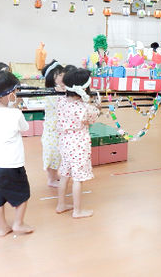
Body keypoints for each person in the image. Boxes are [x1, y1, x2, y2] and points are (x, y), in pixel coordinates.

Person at [0, 70, 33, 236]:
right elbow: (25, 128)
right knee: (23, 195)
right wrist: (15, 107)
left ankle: (2, 227)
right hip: (11, 164)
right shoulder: (15, 113)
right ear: (10, 94)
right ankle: (18, 223)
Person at [56, 68, 100, 219]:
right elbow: (92, 119)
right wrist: (95, 106)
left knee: (65, 174)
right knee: (78, 178)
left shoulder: (60, 101)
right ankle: (77, 210)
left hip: (64, 142)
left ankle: (61, 204)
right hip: (79, 144)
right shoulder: (85, 108)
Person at [41, 60, 76, 187]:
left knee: (58, 153)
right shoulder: (52, 92)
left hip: (59, 129)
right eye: (60, 75)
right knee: (52, 153)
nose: (63, 76)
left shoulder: (62, 89)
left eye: (63, 74)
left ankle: (55, 177)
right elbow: (61, 105)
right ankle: (51, 179)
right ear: (53, 78)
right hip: (52, 130)